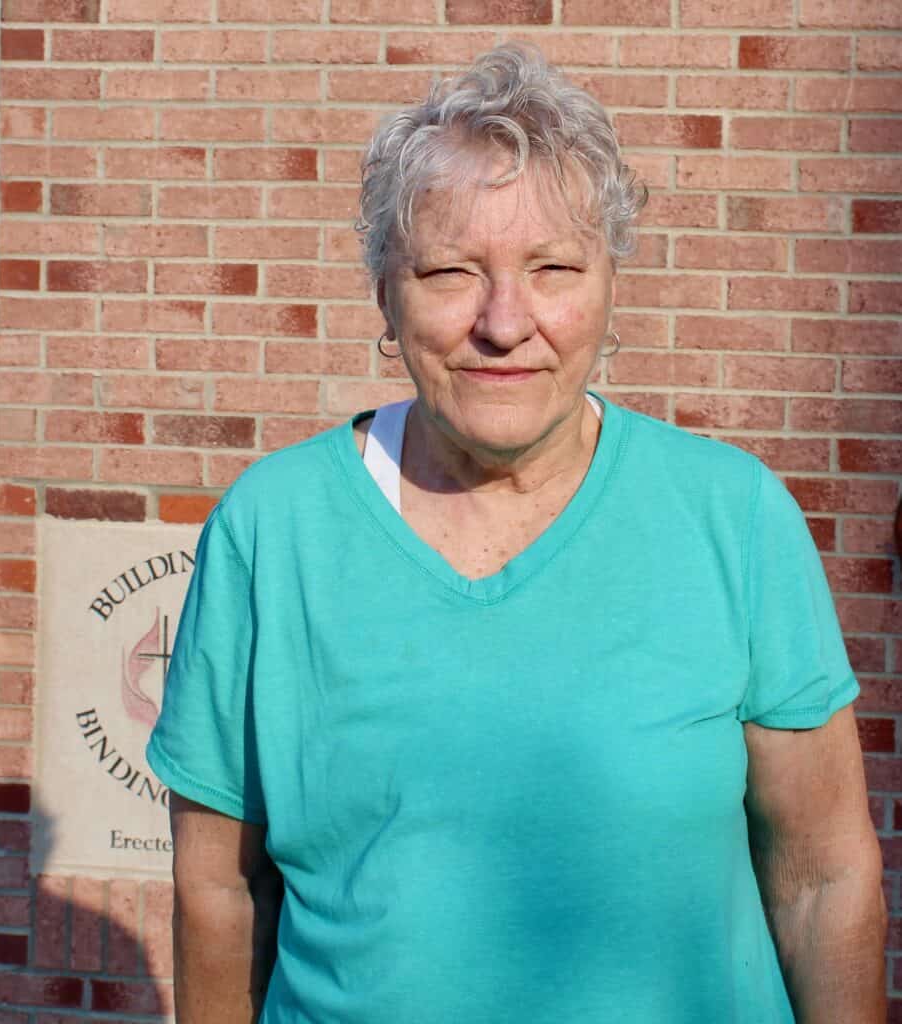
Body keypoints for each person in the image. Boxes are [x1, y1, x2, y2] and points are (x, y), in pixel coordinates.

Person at [146, 44, 886, 1023]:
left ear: (607, 285)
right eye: (451, 271)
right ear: (386, 295)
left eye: (553, 268)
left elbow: (822, 876)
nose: (504, 322)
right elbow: (220, 886)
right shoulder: (274, 531)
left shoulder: (731, 516)